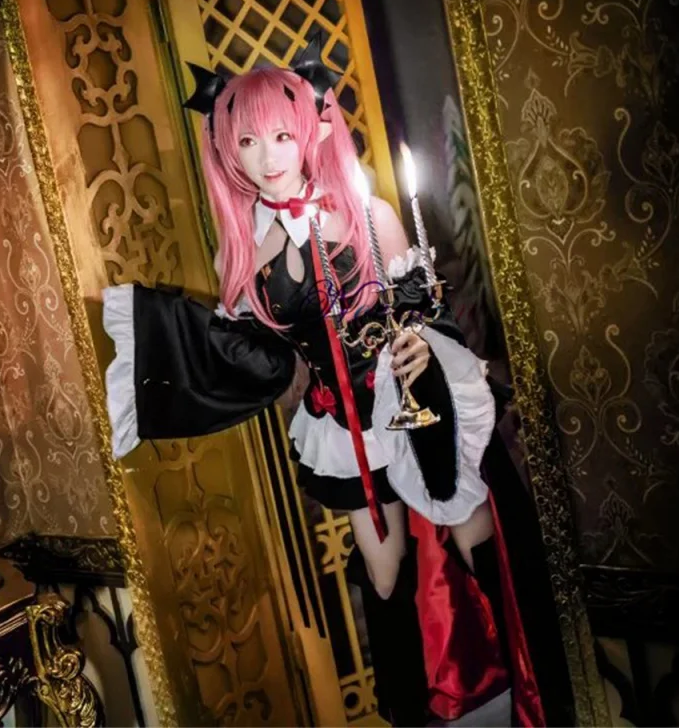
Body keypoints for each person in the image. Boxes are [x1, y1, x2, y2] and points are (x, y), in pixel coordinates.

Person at [102, 38, 571, 726]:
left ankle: (542, 695)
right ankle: (411, 715)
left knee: (475, 537)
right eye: (249, 141)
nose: (268, 157)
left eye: (281, 136)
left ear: (310, 131)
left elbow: (424, 310)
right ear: (228, 150)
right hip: (343, 428)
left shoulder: (366, 212)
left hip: (411, 401)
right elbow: (246, 356)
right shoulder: (242, 253)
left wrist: (421, 345)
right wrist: (162, 335)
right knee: (384, 571)